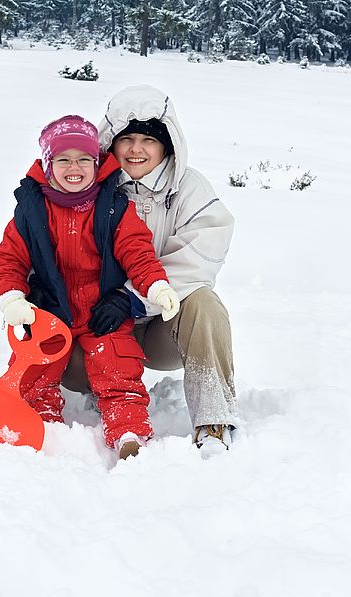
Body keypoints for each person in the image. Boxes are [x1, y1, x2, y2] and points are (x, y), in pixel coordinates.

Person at [62, 86, 238, 456]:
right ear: (110, 142)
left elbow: (201, 256)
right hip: (97, 327)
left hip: (160, 330)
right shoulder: (85, 188)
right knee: (68, 363)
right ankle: (106, 390)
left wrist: (131, 298)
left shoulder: (189, 188)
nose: (136, 149)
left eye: (148, 139)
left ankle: (213, 421)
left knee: (204, 303)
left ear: (168, 144)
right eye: (126, 138)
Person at [0, 114, 180, 460]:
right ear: (49, 165)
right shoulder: (31, 210)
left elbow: (137, 251)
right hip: (51, 313)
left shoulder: (115, 208)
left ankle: (129, 434)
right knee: (34, 371)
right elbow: (10, 260)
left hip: (102, 312)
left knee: (117, 368)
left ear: (97, 164)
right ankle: (42, 424)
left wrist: (156, 285)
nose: (73, 167)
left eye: (83, 159)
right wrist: (13, 297)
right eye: (63, 159)